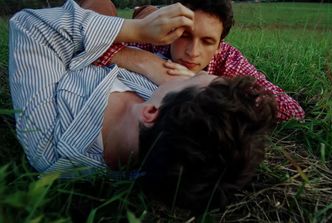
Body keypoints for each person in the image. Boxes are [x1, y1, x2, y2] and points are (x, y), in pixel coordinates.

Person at [9, 0, 276, 210]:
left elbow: (29, 26)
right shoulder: (169, 120)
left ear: (150, 112)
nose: (203, 71)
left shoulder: (48, 141)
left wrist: (136, 31)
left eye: (198, 81)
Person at [88, 0, 305, 122]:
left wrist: (204, 82)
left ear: (220, 46)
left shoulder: (229, 59)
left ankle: (145, 10)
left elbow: (293, 111)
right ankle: (144, 11)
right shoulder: (157, 40)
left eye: (208, 41)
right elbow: (90, 38)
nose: (193, 52)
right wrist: (147, 60)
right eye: (184, 36)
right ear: (173, 30)